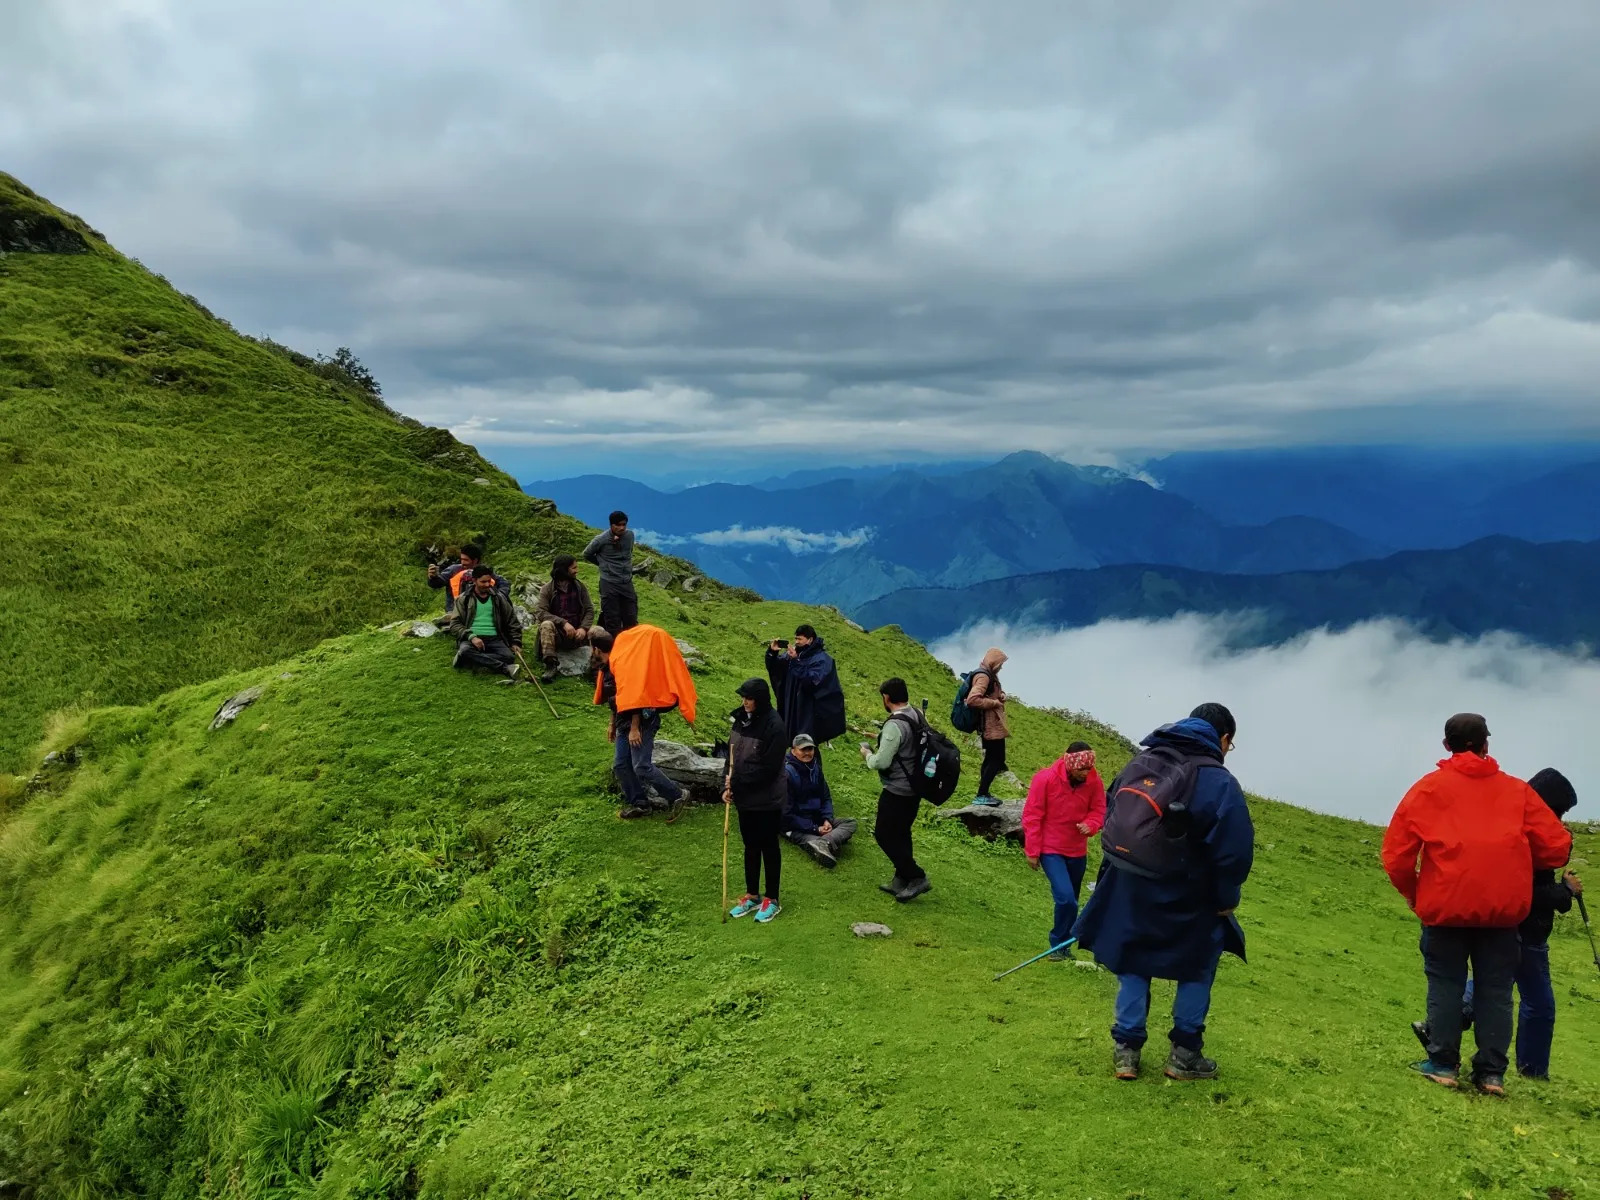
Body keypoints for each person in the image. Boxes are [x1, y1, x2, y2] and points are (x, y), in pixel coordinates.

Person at [1383, 714, 1573, 1095]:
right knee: (1496, 990)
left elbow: (1396, 855)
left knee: (1446, 984)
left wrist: (1414, 893)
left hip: (1444, 909)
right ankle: (1491, 1075)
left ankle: (1441, 1064)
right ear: (1487, 745)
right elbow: (1557, 847)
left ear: (1446, 746)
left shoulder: (1427, 789)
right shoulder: (1517, 792)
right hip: (1502, 913)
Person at [1073, 704, 1254, 1083]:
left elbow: (1112, 815)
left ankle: (1127, 1052)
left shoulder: (1142, 762)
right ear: (1223, 739)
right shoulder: (1219, 782)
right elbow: (1233, 850)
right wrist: (1226, 898)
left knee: (1134, 962)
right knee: (1196, 966)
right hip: (1191, 894)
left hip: (1132, 885)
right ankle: (1185, 1055)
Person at [1411, 767, 1583, 1080]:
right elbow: (1530, 889)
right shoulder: (1531, 835)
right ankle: (1525, 1071)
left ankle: (1438, 1032)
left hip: (1506, 922)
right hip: (1523, 927)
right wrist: (1566, 892)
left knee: (1491, 989)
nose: (1561, 816)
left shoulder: (1510, 823)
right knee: (1532, 1002)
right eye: (1559, 810)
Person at [590, 624, 698, 820]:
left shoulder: (621, 664)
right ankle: (640, 803)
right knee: (621, 765)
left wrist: (634, 728)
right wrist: (612, 723)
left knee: (641, 765)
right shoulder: (607, 668)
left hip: (642, 721)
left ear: (596, 649)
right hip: (624, 722)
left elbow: (636, 696)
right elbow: (617, 700)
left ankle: (678, 795)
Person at [1022, 742, 1106, 960]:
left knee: (1073, 901)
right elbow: (1032, 815)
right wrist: (1032, 850)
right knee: (1066, 899)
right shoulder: (1045, 779)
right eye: (1082, 769)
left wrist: (1091, 824)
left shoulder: (1094, 782)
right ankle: (1057, 943)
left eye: (1089, 768)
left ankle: (1064, 947)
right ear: (1070, 765)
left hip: (1077, 851)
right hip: (1051, 849)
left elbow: (1099, 810)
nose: (1086, 773)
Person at [860, 678, 932, 902]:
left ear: (887, 698)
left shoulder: (895, 724)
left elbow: (881, 762)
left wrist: (866, 754)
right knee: (902, 833)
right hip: (915, 787)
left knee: (883, 834)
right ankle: (900, 880)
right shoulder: (917, 713)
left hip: (897, 789)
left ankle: (916, 876)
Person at [726, 679, 788, 923]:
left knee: (768, 846)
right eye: (743, 697)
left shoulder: (775, 726)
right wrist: (727, 784)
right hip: (744, 797)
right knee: (750, 845)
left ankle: (772, 899)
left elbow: (770, 769)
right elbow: (731, 757)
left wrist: (736, 784)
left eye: (749, 698)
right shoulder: (742, 719)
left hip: (767, 798)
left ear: (760, 699)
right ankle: (752, 894)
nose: (744, 702)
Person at [766, 624, 846, 752]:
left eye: (800, 639)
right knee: (793, 742)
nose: (797, 642)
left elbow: (812, 682)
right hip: (792, 705)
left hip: (809, 710)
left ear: (810, 639)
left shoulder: (822, 660)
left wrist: (796, 662)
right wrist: (773, 652)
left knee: (807, 744)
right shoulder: (794, 655)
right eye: (796, 639)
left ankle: (812, 768)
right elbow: (776, 668)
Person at [782, 733, 857, 868]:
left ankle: (824, 843)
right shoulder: (787, 774)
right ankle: (825, 841)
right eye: (803, 749)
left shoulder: (816, 768)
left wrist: (826, 819)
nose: (807, 753)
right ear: (793, 751)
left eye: (810, 749)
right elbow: (786, 814)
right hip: (795, 824)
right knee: (813, 838)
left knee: (850, 823)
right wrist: (815, 828)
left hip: (816, 818)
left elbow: (826, 797)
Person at [446, 566, 522, 678]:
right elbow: (455, 624)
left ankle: (471, 660)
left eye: (489, 581)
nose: (487, 585)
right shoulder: (463, 599)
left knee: (509, 657)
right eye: (483, 582)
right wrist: (472, 637)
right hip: (472, 638)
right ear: (474, 581)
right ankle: (505, 668)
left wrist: (515, 642)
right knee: (466, 650)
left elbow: (512, 620)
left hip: (494, 638)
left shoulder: (499, 598)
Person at [533, 554, 595, 682]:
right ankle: (551, 666)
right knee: (546, 625)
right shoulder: (547, 589)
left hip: (578, 634)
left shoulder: (580, 587)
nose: (576, 570)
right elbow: (541, 612)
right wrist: (563, 623)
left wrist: (583, 628)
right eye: (573, 568)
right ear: (564, 569)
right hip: (558, 634)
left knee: (598, 631)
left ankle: (598, 668)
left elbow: (589, 610)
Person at [964, 648, 1009, 805]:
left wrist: (1000, 695)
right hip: (990, 726)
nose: (1000, 667)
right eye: (1000, 664)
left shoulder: (989, 674)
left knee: (991, 758)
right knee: (997, 759)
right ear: (993, 662)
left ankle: (983, 793)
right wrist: (994, 703)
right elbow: (972, 699)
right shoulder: (983, 676)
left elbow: (990, 693)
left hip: (992, 725)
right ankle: (982, 794)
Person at [583, 511, 639, 635]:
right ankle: (612, 649)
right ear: (611, 525)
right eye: (618, 525)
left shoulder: (630, 535)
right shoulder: (600, 540)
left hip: (626, 582)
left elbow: (629, 552)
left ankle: (630, 649)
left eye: (624, 524)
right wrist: (603, 564)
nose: (622, 528)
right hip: (609, 583)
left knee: (631, 618)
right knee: (612, 618)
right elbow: (586, 554)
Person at [427, 543, 505, 617]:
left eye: (466, 560)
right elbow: (437, 583)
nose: (462, 562)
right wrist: (433, 577)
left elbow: (503, 583)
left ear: (475, 561)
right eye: (461, 559)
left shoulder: (485, 571)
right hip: (455, 611)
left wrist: (499, 597)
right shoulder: (454, 569)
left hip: (481, 611)